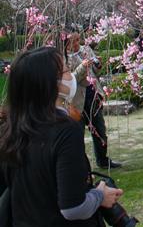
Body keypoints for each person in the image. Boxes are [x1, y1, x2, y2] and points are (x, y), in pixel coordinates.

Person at [0, 46, 123, 226]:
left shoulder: (10, 130)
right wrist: (100, 195)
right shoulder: (65, 131)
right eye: (65, 71)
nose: (71, 76)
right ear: (49, 83)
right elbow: (73, 208)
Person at [65, 32, 122, 169]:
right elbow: (68, 80)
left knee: (100, 130)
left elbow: (94, 72)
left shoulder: (86, 49)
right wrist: (82, 67)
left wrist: (97, 65)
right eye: (73, 41)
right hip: (76, 101)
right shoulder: (63, 58)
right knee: (77, 135)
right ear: (66, 43)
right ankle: (80, 166)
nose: (77, 43)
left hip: (93, 94)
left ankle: (103, 160)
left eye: (78, 39)